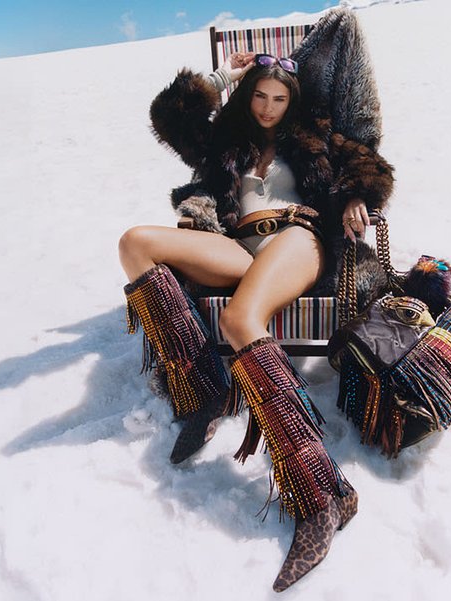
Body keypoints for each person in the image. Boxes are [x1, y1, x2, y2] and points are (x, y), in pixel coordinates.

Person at [118, 50, 394, 592]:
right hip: (240, 249)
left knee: (240, 320)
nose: (268, 108)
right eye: (260, 96)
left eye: (280, 99)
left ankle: (324, 495)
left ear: (293, 102)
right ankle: (205, 391)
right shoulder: (227, 141)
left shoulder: (315, 138)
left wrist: (357, 194)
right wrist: (225, 77)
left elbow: (371, 165)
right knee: (134, 244)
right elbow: (170, 115)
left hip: (298, 241)